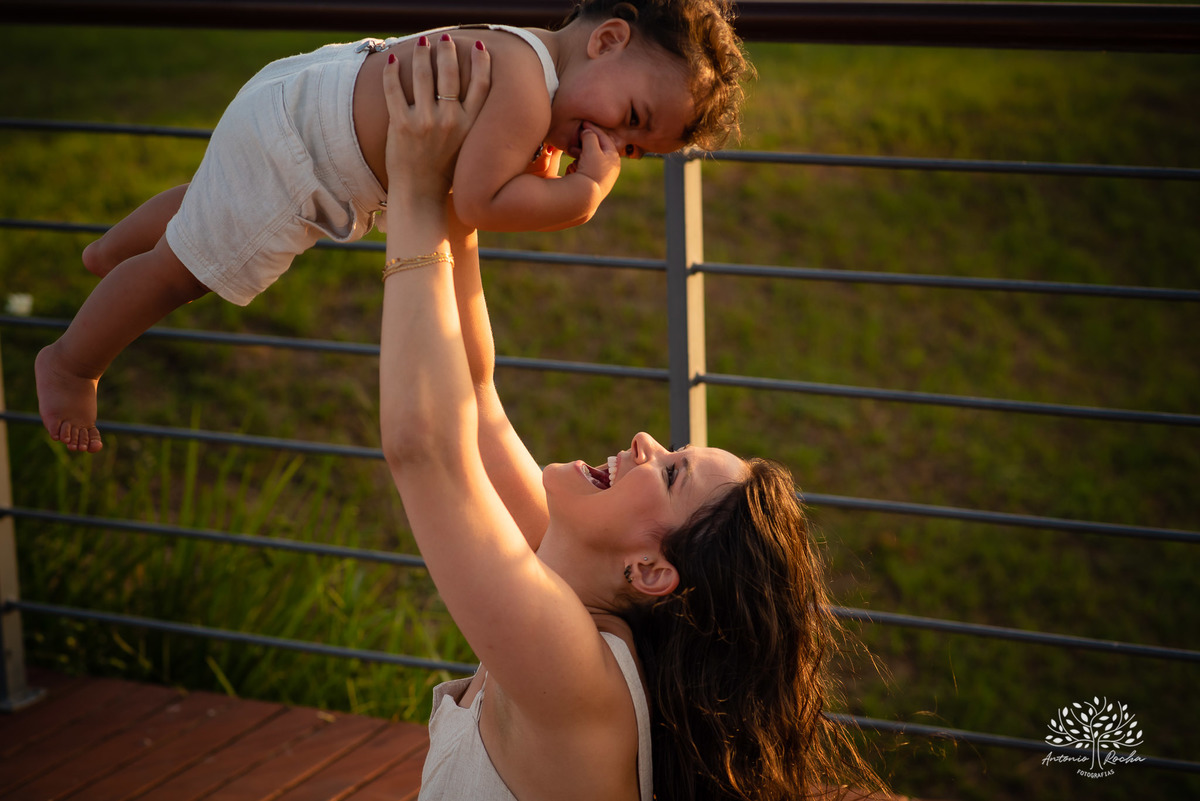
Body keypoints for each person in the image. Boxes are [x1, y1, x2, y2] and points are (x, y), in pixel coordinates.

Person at [380, 35, 881, 801]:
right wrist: (464, 190)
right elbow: (475, 403)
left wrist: (413, 195)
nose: (647, 440)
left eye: (671, 470)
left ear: (651, 571)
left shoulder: (573, 670)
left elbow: (426, 450)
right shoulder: (569, 575)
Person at [35, 0, 752, 453]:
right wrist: (582, 196)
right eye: (630, 119)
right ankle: (72, 363)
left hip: (301, 97)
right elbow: (476, 201)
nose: (610, 147)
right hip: (303, 151)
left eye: (630, 150)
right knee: (180, 274)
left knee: (211, 201)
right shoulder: (529, 92)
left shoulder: (522, 54)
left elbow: (475, 172)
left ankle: (111, 251)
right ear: (608, 39)